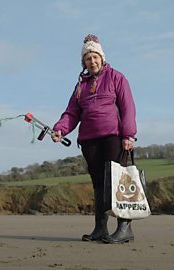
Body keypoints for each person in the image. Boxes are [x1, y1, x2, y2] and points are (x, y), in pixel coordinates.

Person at [51, 34, 137, 244]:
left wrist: (129, 135)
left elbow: (128, 108)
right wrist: (60, 129)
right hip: (89, 140)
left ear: (102, 57)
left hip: (113, 137)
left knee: (118, 183)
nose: (92, 61)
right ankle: (100, 229)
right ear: (84, 62)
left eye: (95, 57)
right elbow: (72, 113)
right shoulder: (80, 86)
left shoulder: (117, 77)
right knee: (98, 184)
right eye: (88, 58)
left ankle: (125, 229)